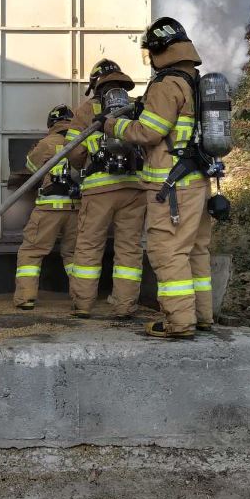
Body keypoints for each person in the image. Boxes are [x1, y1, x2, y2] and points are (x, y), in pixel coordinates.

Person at [104, 18, 212, 339]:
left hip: (171, 186)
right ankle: (201, 316)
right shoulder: (194, 80)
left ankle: (179, 322)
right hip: (196, 181)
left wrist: (113, 126)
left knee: (168, 251)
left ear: (159, 51)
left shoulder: (167, 85)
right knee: (195, 251)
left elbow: (149, 132)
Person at [66, 60, 146, 318]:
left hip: (99, 189)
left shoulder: (86, 110)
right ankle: (125, 306)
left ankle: (83, 305)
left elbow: (74, 153)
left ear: (96, 84)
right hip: (134, 187)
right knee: (129, 248)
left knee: (89, 245)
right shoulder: (135, 106)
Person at [14, 105, 80, 310]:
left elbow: (32, 168)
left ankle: (25, 298)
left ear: (51, 123)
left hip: (49, 207)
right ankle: (81, 298)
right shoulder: (82, 139)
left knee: (31, 251)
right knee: (75, 255)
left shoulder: (47, 143)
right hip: (77, 208)